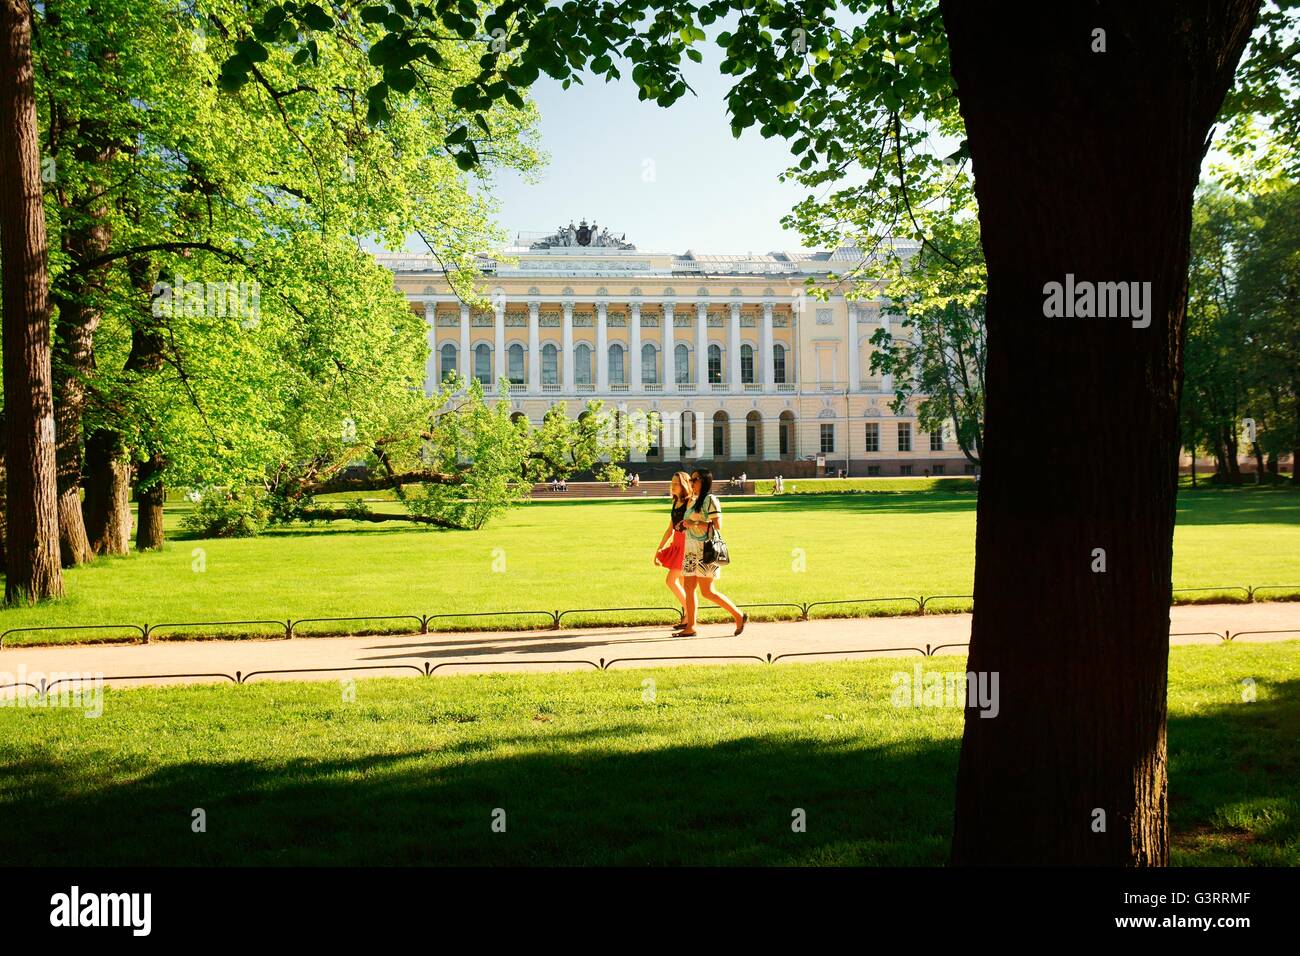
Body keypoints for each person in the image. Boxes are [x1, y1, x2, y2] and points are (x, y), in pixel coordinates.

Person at [676, 468, 746, 637]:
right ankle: (691, 626)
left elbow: (717, 526)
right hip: (691, 549)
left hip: (706, 550)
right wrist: (684, 524)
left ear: (704, 481)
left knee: (707, 591)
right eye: (691, 479)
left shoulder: (710, 499)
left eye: (695, 479)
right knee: (688, 588)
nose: (691, 482)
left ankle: (738, 615)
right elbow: (692, 521)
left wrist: (693, 524)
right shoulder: (692, 500)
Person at [653, 471, 693, 613]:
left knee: (671, 580)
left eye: (677, 483)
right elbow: (670, 529)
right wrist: (659, 549)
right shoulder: (676, 501)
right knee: (682, 583)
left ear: (684, 485)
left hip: (686, 545)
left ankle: (691, 615)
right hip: (677, 543)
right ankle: (687, 618)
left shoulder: (690, 502)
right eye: (672, 483)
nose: (673, 486)